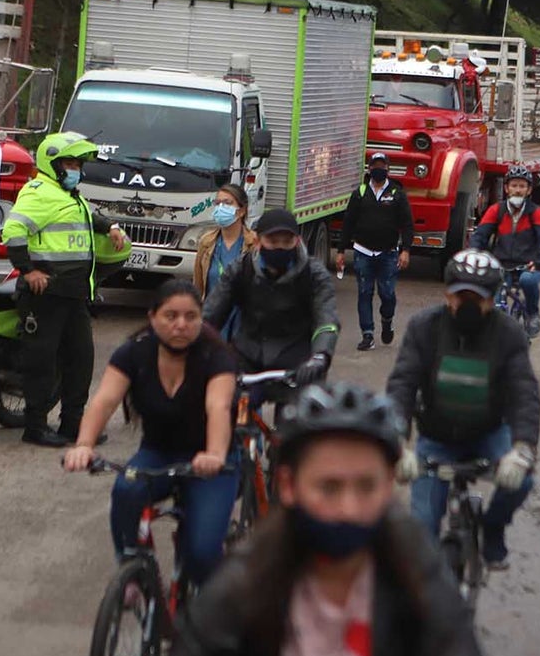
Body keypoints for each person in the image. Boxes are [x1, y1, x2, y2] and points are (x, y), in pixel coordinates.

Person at [139, 380, 500, 656]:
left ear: (389, 485)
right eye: (329, 488)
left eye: (366, 487)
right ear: (289, 486)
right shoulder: (249, 575)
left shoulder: (416, 569)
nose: (348, 508)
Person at [64, 281, 238, 584]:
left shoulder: (217, 357)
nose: (181, 325)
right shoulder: (133, 353)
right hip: (158, 453)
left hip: (210, 463)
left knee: (203, 554)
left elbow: (219, 407)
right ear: (152, 316)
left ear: (201, 319)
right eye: (171, 316)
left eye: (191, 316)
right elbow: (105, 401)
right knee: (125, 490)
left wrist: (214, 455)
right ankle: (133, 570)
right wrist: (84, 445)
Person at [386, 248, 538, 569]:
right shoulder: (423, 328)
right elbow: (402, 383)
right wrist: (395, 441)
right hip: (436, 439)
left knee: (522, 480)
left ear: (491, 299)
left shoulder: (509, 334)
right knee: (421, 534)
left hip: (489, 434)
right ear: (446, 295)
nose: (467, 304)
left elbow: (524, 393)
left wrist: (523, 448)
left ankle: (493, 529)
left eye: (477, 298)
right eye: (460, 296)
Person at [2, 132, 130, 448]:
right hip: (46, 295)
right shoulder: (39, 193)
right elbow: (13, 230)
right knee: (42, 363)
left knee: (81, 360)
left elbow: (88, 217)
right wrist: (29, 270)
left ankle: (72, 424)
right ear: (53, 163)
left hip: (73, 294)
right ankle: (34, 426)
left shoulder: (68, 195)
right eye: (70, 163)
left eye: (78, 164)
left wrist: (111, 227)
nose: (76, 169)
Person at [203, 208, 339, 389]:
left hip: (298, 363)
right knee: (220, 408)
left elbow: (326, 319)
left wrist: (321, 355)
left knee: (299, 414)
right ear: (258, 242)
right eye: (273, 241)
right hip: (246, 358)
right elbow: (211, 314)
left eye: (287, 241)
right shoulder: (241, 269)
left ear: (297, 241)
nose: (280, 247)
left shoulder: (314, 274)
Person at [336, 153, 414, 351]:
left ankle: (387, 320)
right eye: (375, 165)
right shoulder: (360, 193)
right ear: (369, 169)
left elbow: (407, 224)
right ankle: (367, 334)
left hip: (387, 254)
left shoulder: (397, 193)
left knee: (387, 294)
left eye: (382, 165)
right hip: (363, 252)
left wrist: (405, 250)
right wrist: (340, 251)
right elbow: (348, 223)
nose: (378, 169)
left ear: (387, 169)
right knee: (364, 292)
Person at [469, 165, 540, 337]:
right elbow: (480, 236)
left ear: (529, 190)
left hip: (528, 264)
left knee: (528, 282)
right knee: (492, 297)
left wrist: (539, 261)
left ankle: (532, 313)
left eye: (522, 186)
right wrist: (475, 257)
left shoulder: (536, 212)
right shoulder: (496, 210)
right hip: (501, 263)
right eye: (514, 185)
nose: (518, 190)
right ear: (506, 188)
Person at [193, 184, 257, 340]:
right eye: (218, 203)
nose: (221, 208)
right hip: (212, 325)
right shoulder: (206, 242)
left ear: (241, 211)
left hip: (243, 326)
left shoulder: (254, 243)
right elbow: (198, 285)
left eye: (227, 203)